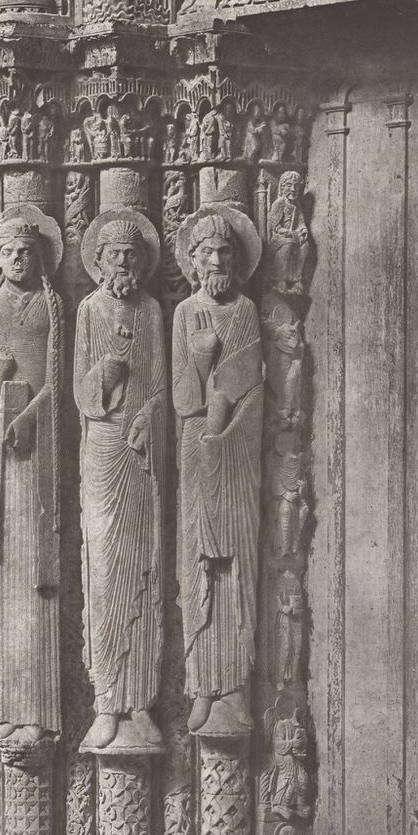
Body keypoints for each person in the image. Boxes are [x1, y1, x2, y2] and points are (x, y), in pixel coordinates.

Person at [74, 216, 166, 752]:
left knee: (143, 572)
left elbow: (161, 385)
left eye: (132, 254)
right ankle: (107, 701)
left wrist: (150, 414)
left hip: (140, 453)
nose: (125, 263)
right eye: (115, 254)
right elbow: (80, 392)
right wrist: (104, 375)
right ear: (100, 260)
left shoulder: (151, 311)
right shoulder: (90, 311)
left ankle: (141, 702)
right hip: (103, 449)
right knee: (106, 572)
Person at [173, 209, 264, 737]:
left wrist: (226, 429)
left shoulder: (245, 311)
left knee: (237, 564)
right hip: (196, 447)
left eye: (225, 251)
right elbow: (184, 399)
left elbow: (252, 385)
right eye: (206, 252)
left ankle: (235, 687)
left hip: (238, 449)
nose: (216, 260)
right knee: (199, 564)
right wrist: (202, 363)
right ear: (192, 260)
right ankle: (203, 687)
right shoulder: (185, 313)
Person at [0, 210, 64, 744]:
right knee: (4, 581)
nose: (16, 260)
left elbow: (57, 380)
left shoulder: (50, 304)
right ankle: (6, 706)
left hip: (38, 452)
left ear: (40, 258)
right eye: (8, 252)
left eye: (25, 252)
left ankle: (38, 713)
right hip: (2, 458)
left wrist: (29, 416)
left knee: (34, 578)